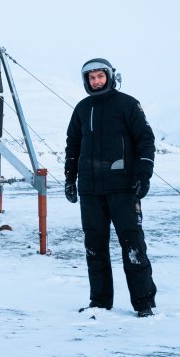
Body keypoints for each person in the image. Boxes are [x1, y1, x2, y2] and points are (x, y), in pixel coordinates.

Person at [64, 58, 157, 317]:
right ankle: (100, 302)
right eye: (91, 78)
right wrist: (70, 178)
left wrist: (144, 175)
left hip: (124, 189)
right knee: (94, 247)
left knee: (133, 246)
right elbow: (73, 145)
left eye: (100, 77)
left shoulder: (128, 105)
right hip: (91, 191)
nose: (96, 82)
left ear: (109, 76)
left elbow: (145, 141)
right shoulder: (82, 109)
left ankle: (144, 303)